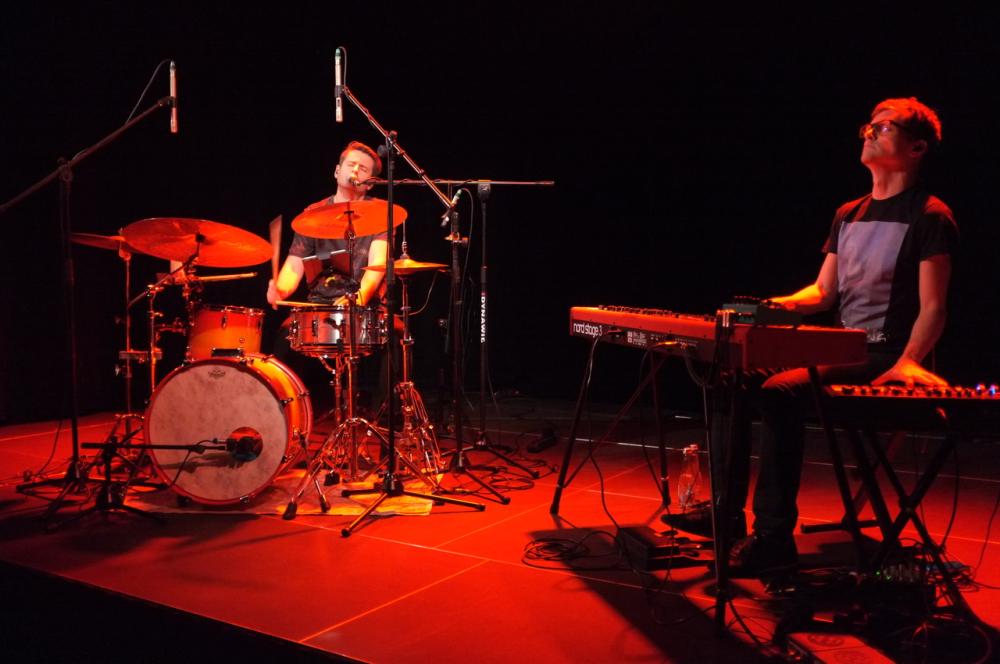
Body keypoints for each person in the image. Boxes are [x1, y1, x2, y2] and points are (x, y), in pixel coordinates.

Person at [722, 97, 959, 577]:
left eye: (884, 127)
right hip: (844, 349)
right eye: (869, 125)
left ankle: (772, 538)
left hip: (887, 355)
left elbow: (934, 307)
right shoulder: (848, 213)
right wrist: (768, 307)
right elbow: (823, 292)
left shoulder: (930, 215)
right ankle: (723, 517)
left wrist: (910, 360)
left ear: (916, 147)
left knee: (781, 391)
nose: (869, 132)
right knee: (735, 376)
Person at [266, 140, 391, 416]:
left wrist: (359, 298)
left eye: (363, 169)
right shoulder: (313, 214)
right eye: (351, 165)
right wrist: (281, 289)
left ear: (370, 184)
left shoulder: (381, 213)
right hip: (321, 304)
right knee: (284, 336)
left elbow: (378, 263)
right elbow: (295, 263)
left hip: (366, 304)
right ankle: (287, 419)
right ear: (337, 171)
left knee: (396, 336)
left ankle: (384, 425)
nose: (355, 171)